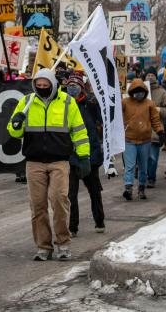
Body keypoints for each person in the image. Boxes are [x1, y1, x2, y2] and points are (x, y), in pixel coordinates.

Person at [6, 68, 89, 261]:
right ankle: (43, 247)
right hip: (34, 162)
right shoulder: (26, 102)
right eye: (39, 85)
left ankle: (63, 244)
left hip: (59, 161)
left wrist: (84, 156)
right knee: (38, 206)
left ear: (53, 85)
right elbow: (14, 131)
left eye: (45, 85)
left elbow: (79, 131)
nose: (42, 88)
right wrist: (16, 123)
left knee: (59, 201)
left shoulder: (67, 102)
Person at [64, 74, 105, 237]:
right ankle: (72, 227)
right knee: (70, 194)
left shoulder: (91, 103)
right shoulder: (64, 104)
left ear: (82, 87)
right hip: (71, 155)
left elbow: (102, 122)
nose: (72, 88)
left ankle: (100, 222)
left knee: (94, 191)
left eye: (75, 85)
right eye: (69, 85)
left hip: (90, 154)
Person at [122, 79, 164, 200]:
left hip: (145, 140)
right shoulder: (124, 102)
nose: (139, 93)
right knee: (129, 166)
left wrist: (160, 131)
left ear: (145, 91)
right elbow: (116, 114)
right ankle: (128, 188)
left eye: (141, 91)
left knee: (143, 167)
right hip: (129, 139)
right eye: (136, 91)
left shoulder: (150, 104)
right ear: (131, 91)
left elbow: (155, 120)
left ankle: (141, 189)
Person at [145, 69, 166, 188]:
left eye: (152, 75)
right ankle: (143, 178)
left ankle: (151, 178)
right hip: (139, 131)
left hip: (155, 131)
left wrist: (159, 109)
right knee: (142, 158)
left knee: (153, 158)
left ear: (156, 77)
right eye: (148, 75)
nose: (150, 77)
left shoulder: (162, 92)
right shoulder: (138, 90)